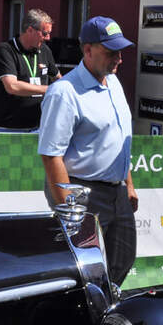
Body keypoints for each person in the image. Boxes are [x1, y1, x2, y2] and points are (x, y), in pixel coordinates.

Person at [38, 16, 137, 286]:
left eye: (120, 51)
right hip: (84, 195)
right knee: (85, 272)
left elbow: (117, 138)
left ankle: (106, 316)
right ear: (88, 50)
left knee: (123, 259)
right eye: (111, 52)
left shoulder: (113, 83)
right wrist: (71, 212)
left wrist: (128, 184)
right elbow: (51, 154)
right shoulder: (64, 92)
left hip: (116, 192)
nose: (119, 58)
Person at [0, 9, 61, 132]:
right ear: (30, 30)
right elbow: (12, 86)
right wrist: (49, 90)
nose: (48, 38)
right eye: (45, 33)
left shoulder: (45, 50)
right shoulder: (6, 50)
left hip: (40, 127)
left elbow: (59, 79)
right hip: (10, 128)